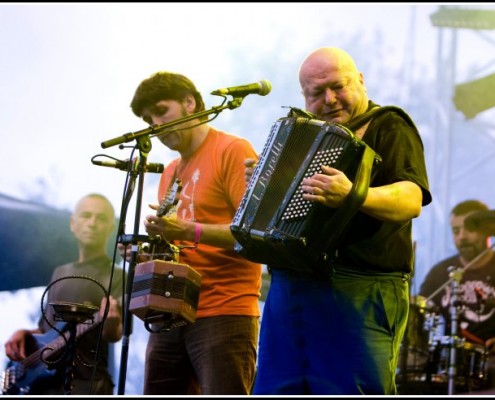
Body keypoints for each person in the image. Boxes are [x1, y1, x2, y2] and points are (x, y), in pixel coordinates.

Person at [243, 46, 432, 394]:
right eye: (317, 93)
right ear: (304, 95)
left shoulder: (390, 125)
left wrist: (355, 194)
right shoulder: (301, 131)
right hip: (291, 291)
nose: (330, 100)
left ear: (360, 80)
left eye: (338, 86)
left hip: (359, 290)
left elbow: (411, 199)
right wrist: (261, 184)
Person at [123, 71, 262, 395]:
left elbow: (254, 234)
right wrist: (144, 256)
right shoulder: (170, 171)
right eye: (148, 118)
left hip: (225, 310)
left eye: (161, 111)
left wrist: (187, 229)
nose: (155, 124)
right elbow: (178, 245)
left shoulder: (232, 149)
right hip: (169, 311)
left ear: (189, 103)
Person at [3, 193, 123, 395]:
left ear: (111, 229)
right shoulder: (59, 272)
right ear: (72, 223)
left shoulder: (117, 275)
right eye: (86, 215)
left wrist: (111, 324)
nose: (92, 223)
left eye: (101, 218)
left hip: (88, 384)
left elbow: (115, 333)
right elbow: (46, 330)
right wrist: (23, 333)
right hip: (45, 385)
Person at [415, 199, 495, 394]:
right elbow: (418, 311)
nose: (462, 237)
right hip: (448, 364)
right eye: (455, 230)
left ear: (488, 228)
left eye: (469, 228)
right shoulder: (440, 272)